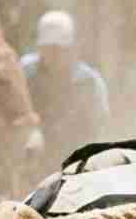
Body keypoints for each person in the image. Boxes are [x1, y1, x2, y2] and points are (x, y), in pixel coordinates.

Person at [21, 10, 112, 175]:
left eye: (59, 49)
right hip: (32, 157)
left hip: (75, 156)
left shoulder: (89, 80)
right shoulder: (25, 72)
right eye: (48, 49)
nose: (53, 55)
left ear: (71, 48)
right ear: (40, 47)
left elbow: (100, 121)